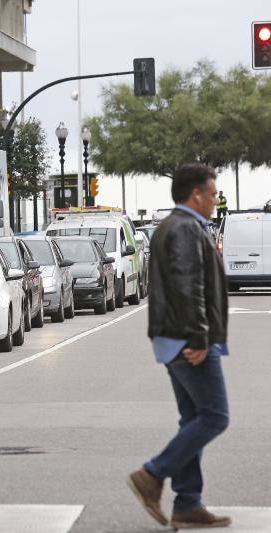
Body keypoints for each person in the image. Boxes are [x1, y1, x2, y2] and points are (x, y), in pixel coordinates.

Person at [127, 163, 230, 529]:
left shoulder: (174, 226)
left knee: (193, 419)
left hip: (174, 335)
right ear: (196, 194)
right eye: (214, 194)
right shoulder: (186, 227)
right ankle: (152, 474)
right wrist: (200, 337)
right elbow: (189, 286)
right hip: (188, 338)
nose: (216, 201)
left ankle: (188, 502)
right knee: (216, 416)